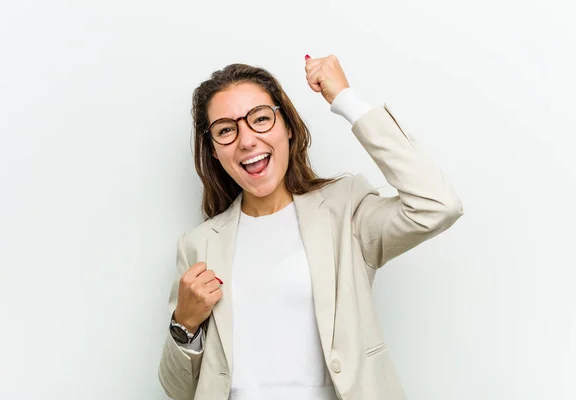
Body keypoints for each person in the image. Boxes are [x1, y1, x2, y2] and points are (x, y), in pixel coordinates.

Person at [158, 55, 464, 400]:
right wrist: (184, 324)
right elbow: (179, 389)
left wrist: (346, 100)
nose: (246, 140)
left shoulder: (344, 210)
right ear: (214, 150)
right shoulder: (198, 244)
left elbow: (437, 205)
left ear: (287, 126)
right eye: (226, 130)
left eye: (260, 119)